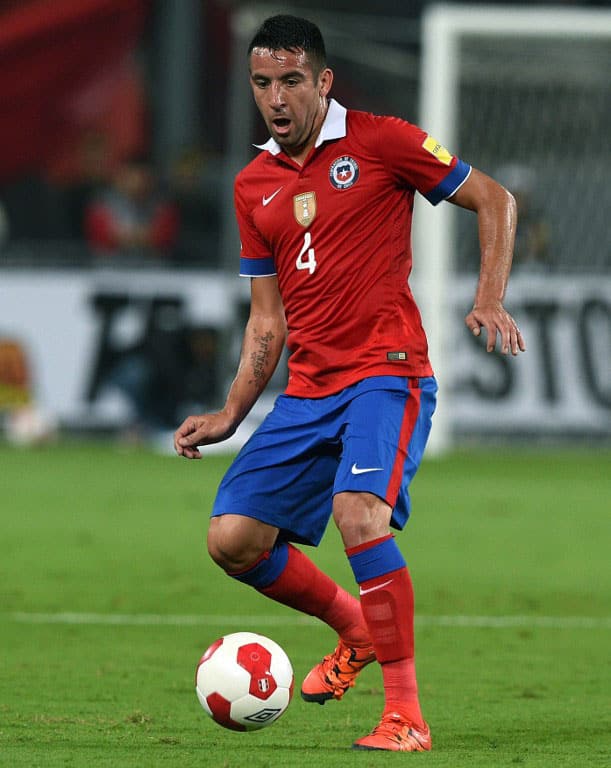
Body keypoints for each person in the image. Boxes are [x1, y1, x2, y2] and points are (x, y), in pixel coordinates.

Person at [174, 14, 525, 752]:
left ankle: (406, 715)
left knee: (357, 511)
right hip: (307, 392)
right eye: (263, 82)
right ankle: (355, 629)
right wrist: (233, 412)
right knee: (232, 539)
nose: (277, 97)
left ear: (323, 82)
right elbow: (265, 321)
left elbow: (494, 198)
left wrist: (488, 295)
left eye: (292, 81)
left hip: (386, 376)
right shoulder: (253, 185)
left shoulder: (381, 140)